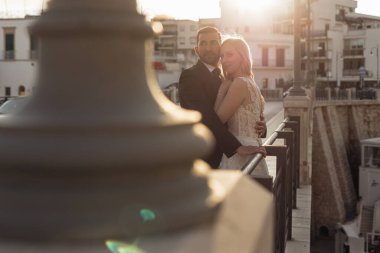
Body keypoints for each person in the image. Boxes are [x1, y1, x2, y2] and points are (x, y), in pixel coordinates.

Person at [178, 26, 266, 169]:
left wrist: (261, 126)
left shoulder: (226, 78)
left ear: (220, 47)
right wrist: (236, 147)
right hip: (204, 156)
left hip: (226, 157)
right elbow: (205, 117)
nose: (208, 48)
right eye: (203, 43)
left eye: (213, 42)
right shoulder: (190, 77)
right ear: (196, 49)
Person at [214, 37, 268, 175]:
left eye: (230, 54)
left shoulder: (239, 83)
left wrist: (221, 90)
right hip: (254, 150)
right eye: (222, 56)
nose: (224, 60)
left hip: (240, 154)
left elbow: (217, 121)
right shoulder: (252, 83)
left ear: (242, 56)